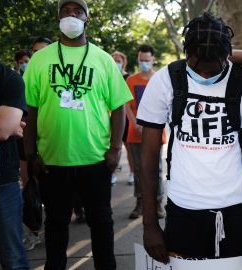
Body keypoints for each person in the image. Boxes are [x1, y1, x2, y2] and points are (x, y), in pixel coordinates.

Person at [138, 13, 242, 263]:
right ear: (188, 56)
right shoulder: (166, 80)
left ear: (227, 56)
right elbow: (148, 156)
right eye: (199, 69)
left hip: (236, 210)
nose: (206, 77)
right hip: (182, 210)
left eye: (214, 70)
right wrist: (149, 224)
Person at [22, 0, 133, 269]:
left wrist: (115, 149)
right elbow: (30, 111)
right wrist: (30, 155)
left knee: (102, 222)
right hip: (52, 160)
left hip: (95, 159)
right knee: (56, 224)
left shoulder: (103, 59)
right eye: (65, 11)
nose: (71, 15)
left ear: (87, 19)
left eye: (77, 11)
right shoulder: (40, 59)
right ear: (58, 19)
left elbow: (118, 106)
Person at [125, 44, 167, 219]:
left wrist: (150, 125)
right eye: (141, 60)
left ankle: (158, 203)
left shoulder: (160, 79)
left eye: (147, 60)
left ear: (153, 60)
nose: (144, 63)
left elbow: (166, 105)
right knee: (138, 169)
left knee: (156, 169)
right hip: (135, 133)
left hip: (155, 133)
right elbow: (126, 105)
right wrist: (135, 123)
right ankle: (139, 203)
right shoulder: (131, 81)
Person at [0, 61, 30, 269]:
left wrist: (6, 125)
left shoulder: (8, 79)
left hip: (2, 184)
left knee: (13, 258)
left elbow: (2, 129)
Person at [112, 50, 133, 186]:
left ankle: (132, 172)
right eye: (113, 61)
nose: (116, 63)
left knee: (128, 146)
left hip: (126, 118)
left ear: (124, 63)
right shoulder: (108, 76)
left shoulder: (128, 78)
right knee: (112, 146)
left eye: (118, 61)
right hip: (109, 118)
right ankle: (113, 173)